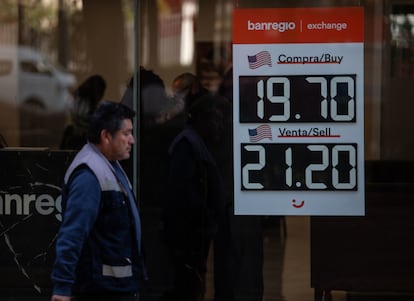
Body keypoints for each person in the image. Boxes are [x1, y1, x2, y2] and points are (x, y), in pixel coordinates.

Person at [51, 101, 146, 301]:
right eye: (126, 133)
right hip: (101, 289)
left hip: (116, 286)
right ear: (106, 136)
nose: (132, 140)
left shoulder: (110, 166)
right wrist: (62, 288)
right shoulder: (89, 175)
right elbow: (72, 234)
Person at [160, 92, 227, 301]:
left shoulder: (199, 143)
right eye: (214, 119)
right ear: (200, 119)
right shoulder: (187, 144)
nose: (219, 126)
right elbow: (182, 191)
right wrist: (206, 216)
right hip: (187, 234)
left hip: (196, 232)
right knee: (187, 287)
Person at [60, 74, 106, 150]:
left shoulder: (76, 98)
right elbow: (84, 118)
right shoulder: (85, 103)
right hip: (82, 140)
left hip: (75, 138)